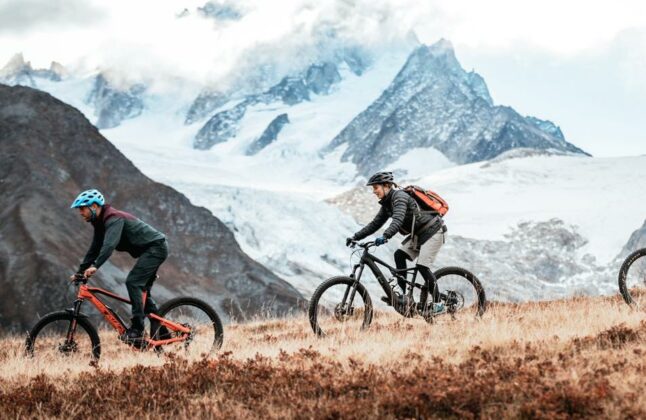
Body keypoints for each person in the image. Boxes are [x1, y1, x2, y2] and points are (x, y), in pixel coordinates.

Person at [70, 189, 168, 343]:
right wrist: (80, 272)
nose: (80, 213)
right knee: (143, 295)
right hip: (148, 251)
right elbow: (94, 249)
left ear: (94, 206)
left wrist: (96, 266)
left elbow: (109, 245)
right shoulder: (100, 223)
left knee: (133, 282)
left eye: (82, 208)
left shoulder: (113, 219)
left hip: (156, 248)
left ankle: (137, 330)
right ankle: (163, 333)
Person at [347, 171, 447, 311]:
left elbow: (398, 220)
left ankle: (439, 305)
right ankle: (403, 297)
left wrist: (386, 236)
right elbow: (374, 224)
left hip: (434, 231)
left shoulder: (399, 197)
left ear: (386, 185)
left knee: (423, 266)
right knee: (399, 255)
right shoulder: (387, 204)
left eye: (376, 188)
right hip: (419, 234)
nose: (374, 192)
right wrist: (355, 237)